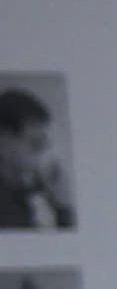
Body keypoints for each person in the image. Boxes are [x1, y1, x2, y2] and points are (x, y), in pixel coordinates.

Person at [0, 87, 74, 229]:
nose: (45, 152)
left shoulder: (37, 187)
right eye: (36, 144)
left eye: (46, 144)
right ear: (4, 141)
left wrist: (62, 205)